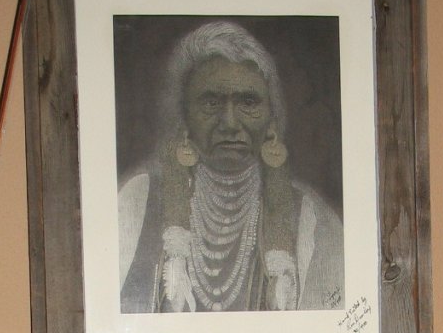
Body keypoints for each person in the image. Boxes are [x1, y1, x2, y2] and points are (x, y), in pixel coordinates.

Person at [117, 20, 344, 314]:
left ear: (271, 119)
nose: (230, 123)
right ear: (185, 117)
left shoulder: (315, 222)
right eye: (211, 102)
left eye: (247, 102)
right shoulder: (136, 201)